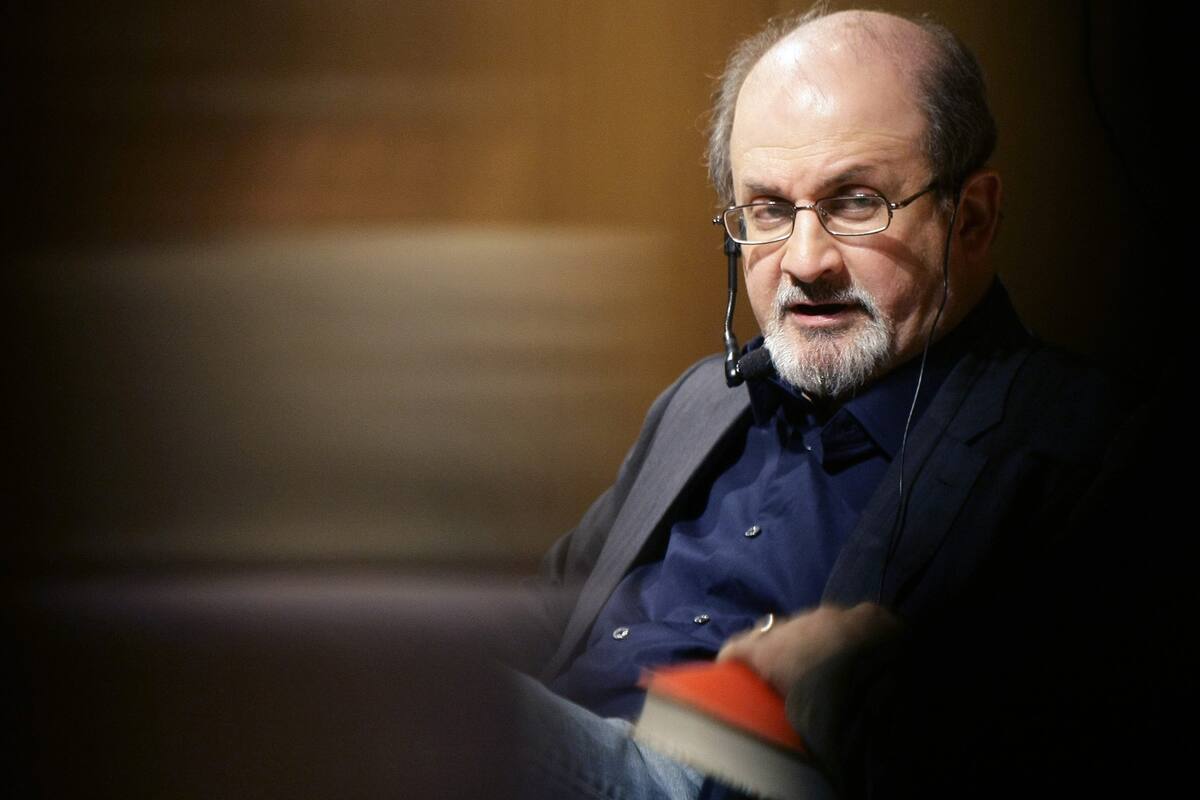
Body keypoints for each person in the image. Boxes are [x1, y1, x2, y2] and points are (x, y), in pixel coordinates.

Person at [510, 7, 1138, 799]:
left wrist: (900, 695)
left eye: (855, 201)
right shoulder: (702, 400)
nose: (805, 261)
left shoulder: (1086, 446)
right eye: (769, 210)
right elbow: (542, 617)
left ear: (971, 218)